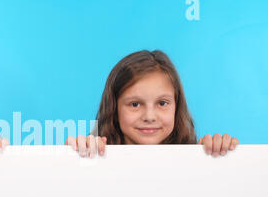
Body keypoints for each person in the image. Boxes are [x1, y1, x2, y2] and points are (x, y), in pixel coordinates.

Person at [66, 50, 239, 157]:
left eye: (162, 103)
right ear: (114, 109)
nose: (149, 117)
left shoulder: (196, 157)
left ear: (176, 107)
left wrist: (218, 152)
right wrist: (71, 157)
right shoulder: (95, 155)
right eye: (135, 104)